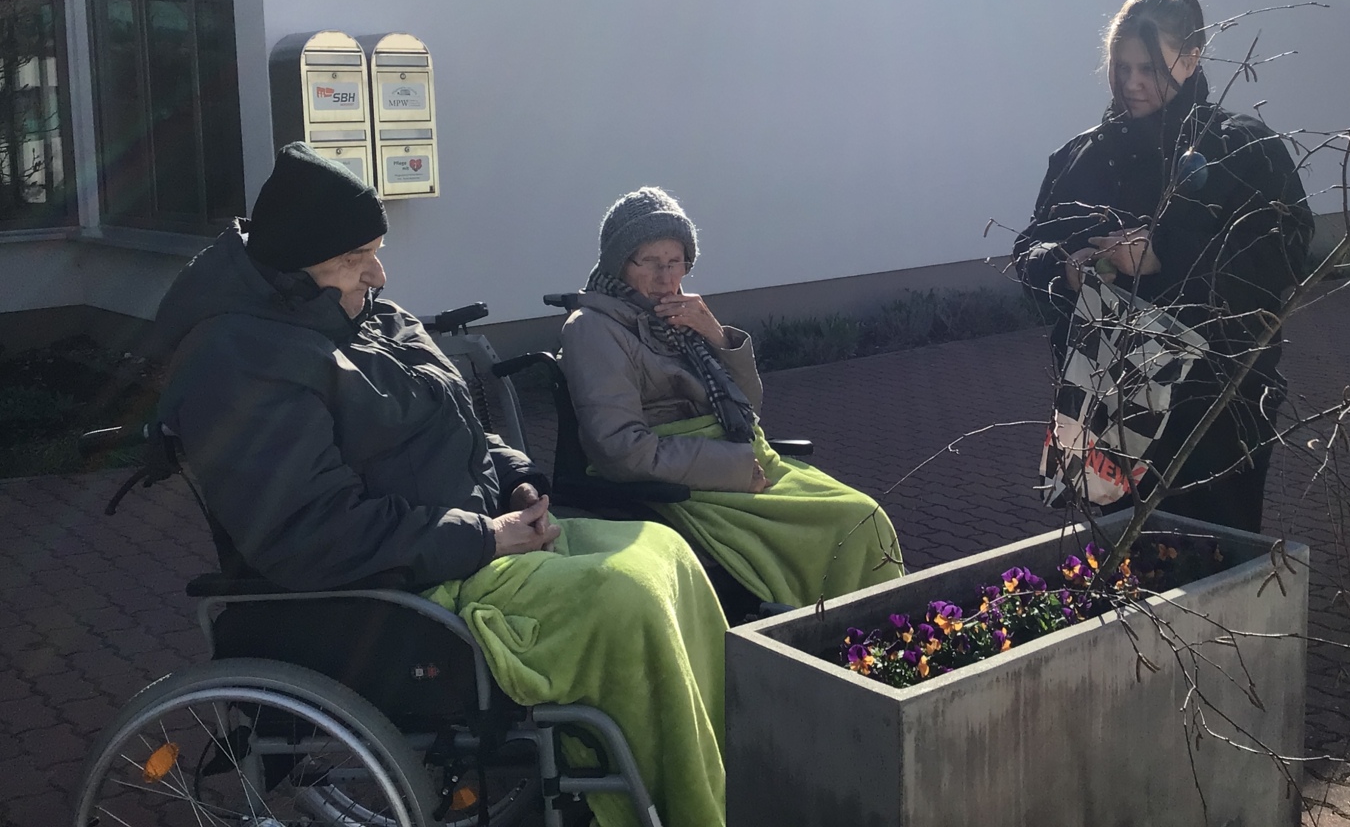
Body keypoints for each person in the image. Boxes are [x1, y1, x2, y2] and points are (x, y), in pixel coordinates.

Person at [154, 143, 728, 827]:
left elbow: (459, 431)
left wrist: (517, 482)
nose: (379, 273)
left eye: (376, 252)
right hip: (405, 589)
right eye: (355, 258)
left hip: (468, 539)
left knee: (666, 553)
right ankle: (669, 797)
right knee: (626, 598)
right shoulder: (240, 361)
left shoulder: (367, 316)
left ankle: (706, 762)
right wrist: (487, 538)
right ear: (298, 264)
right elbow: (314, 531)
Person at [1013, 0, 1314, 532]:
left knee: (1210, 564)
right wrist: (1062, 268)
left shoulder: (1242, 150)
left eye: (1149, 67)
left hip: (1216, 414)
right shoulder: (1082, 157)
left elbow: (1280, 260)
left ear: (1192, 59)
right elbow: (1029, 250)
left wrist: (1165, 256)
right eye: (1121, 67)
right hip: (1105, 410)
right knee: (1115, 562)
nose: (1131, 82)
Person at [560, 187, 904, 613]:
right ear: (618, 262)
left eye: (675, 262)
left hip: (743, 459)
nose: (665, 277)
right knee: (845, 526)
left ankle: (870, 635)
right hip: (683, 485)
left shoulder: (678, 317)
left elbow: (748, 408)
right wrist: (735, 467)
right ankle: (828, 634)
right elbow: (621, 449)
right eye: (649, 262)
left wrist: (716, 335)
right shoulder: (593, 329)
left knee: (865, 516)